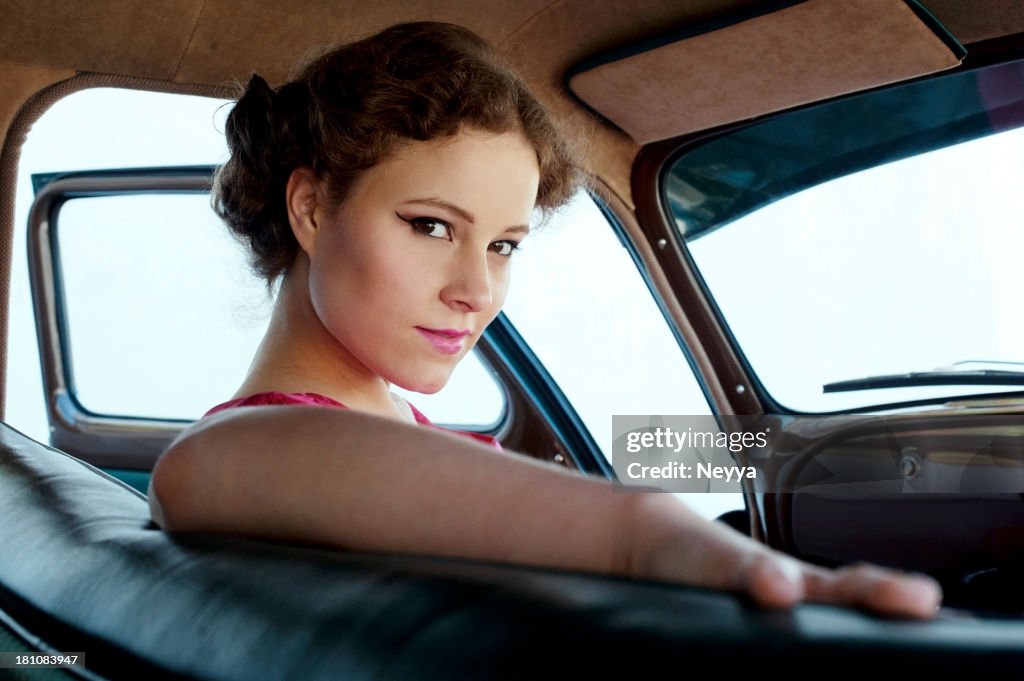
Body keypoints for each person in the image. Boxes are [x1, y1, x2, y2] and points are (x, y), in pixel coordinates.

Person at [148, 21, 941, 618]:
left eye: (502, 245)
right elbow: (631, 529)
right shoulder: (232, 452)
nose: (477, 289)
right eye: (430, 225)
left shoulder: (379, 424)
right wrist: (690, 547)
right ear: (311, 207)